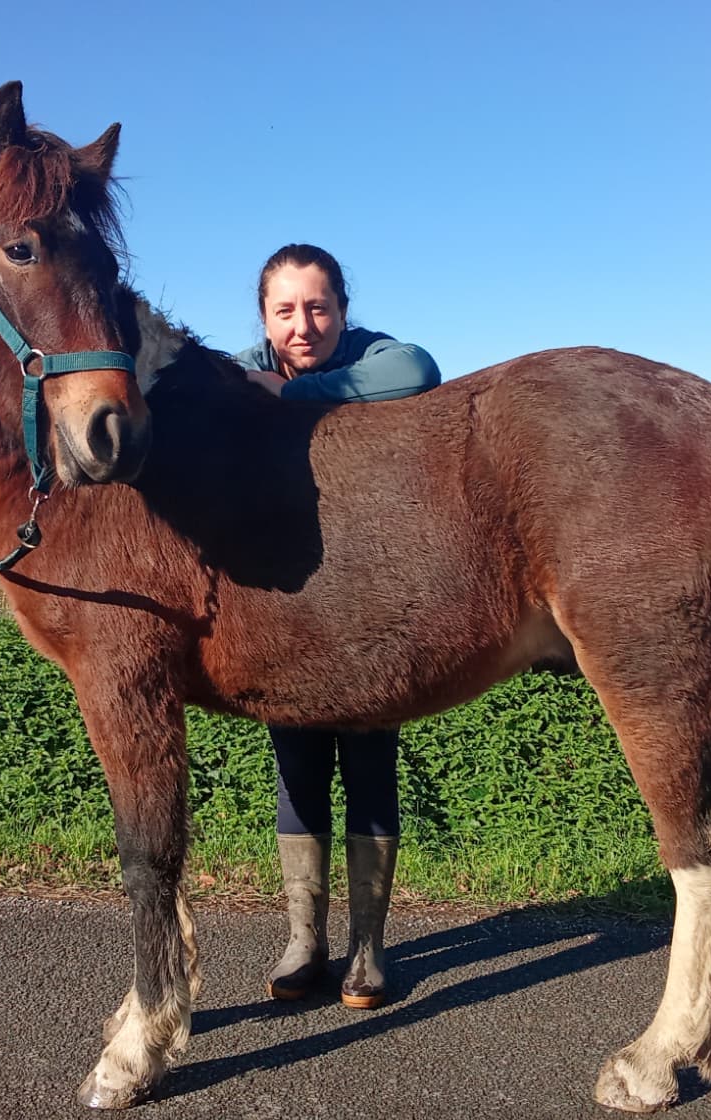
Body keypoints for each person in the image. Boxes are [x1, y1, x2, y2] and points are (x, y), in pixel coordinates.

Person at [234, 243, 441, 1009]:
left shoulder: (369, 357)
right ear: (264, 318)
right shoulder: (242, 365)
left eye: (318, 307)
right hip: (285, 611)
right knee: (296, 770)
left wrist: (290, 396)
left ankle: (368, 949)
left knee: (369, 768)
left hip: (371, 607)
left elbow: (418, 371)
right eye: (285, 310)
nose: (303, 324)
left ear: (343, 311)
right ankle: (303, 942)